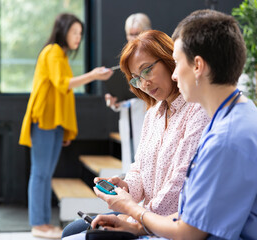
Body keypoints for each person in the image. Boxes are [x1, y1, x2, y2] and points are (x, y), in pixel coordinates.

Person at [82, 9, 257, 240]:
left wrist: (134, 215)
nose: (175, 75)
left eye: (176, 62)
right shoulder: (233, 117)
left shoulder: (224, 136)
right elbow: (187, 214)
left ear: (197, 66)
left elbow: (189, 230)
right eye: (136, 77)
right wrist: (132, 210)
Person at [62, 29, 210, 238]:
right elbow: (139, 169)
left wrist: (132, 218)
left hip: (166, 222)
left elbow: (179, 186)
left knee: (91, 235)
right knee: (73, 229)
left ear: (170, 60)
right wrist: (125, 186)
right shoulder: (153, 114)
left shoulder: (197, 110)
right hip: (144, 215)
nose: (144, 83)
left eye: (147, 70)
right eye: (136, 78)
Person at [19, 13, 113, 239]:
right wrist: (93, 75)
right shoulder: (52, 51)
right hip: (44, 120)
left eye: (80, 34)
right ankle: (38, 224)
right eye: (74, 32)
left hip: (54, 123)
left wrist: (65, 128)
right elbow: (64, 85)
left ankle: (41, 224)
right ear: (62, 31)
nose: (78, 38)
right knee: (40, 174)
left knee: (45, 173)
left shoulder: (60, 55)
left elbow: (62, 94)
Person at [105, 13, 152, 173]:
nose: (133, 38)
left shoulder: (154, 58)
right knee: (130, 168)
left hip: (148, 115)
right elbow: (124, 97)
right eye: (130, 34)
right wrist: (114, 102)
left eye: (137, 33)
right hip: (130, 119)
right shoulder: (125, 60)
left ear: (147, 32)